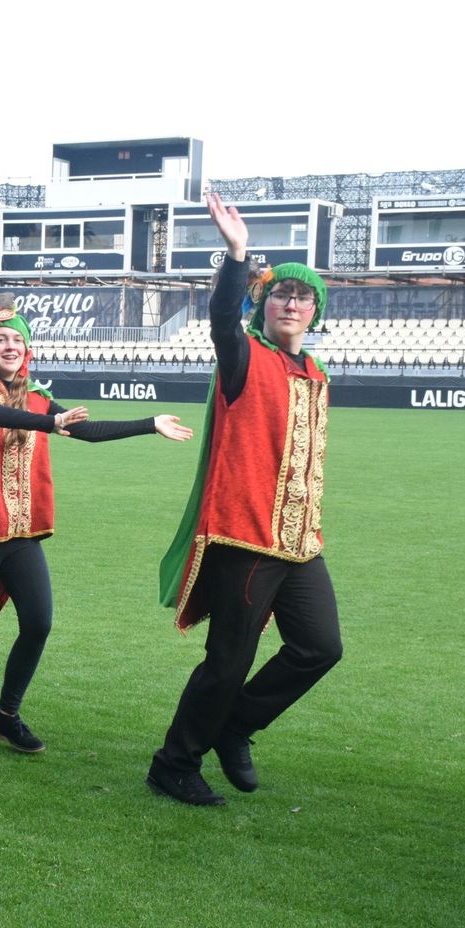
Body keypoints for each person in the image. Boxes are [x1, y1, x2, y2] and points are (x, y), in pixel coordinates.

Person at [0, 306, 193, 752]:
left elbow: (86, 430)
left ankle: (7, 716)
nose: (10, 347)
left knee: (38, 623)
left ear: (26, 348)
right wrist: (48, 423)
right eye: (0, 339)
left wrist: (149, 424)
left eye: (17, 340)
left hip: (22, 535)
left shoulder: (37, 398)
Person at [151, 192, 343, 805]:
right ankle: (174, 763)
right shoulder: (243, 358)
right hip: (243, 533)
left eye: (304, 296)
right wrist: (238, 256)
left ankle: (236, 726)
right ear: (264, 305)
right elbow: (220, 321)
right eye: (282, 293)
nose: (292, 302)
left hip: (299, 539)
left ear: (315, 312)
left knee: (320, 647)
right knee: (229, 660)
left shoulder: (314, 373)